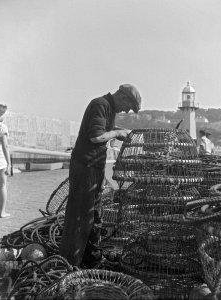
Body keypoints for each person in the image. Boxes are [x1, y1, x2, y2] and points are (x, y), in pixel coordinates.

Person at [59, 83, 142, 267]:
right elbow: (95, 137)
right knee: (80, 215)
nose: (126, 111)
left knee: (94, 213)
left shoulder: (108, 108)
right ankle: (70, 262)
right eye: (128, 107)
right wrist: (117, 132)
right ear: (122, 96)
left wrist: (119, 130)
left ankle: (91, 258)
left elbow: (104, 128)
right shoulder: (101, 104)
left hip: (94, 166)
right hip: (85, 166)